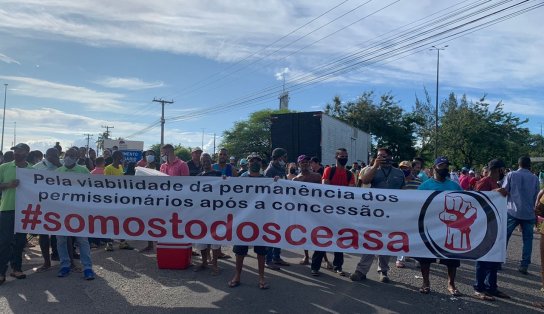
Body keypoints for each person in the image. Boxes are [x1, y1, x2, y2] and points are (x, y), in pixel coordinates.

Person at [351, 148, 404, 283]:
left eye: (383, 156)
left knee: (386, 242)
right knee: (371, 239)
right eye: (378, 156)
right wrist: (375, 166)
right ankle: (361, 271)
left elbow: (404, 193)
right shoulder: (372, 170)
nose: (381, 158)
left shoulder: (399, 173)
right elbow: (365, 180)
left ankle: (383, 271)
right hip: (375, 213)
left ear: (390, 157)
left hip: (392, 214)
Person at [416, 156, 462, 296]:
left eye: (446, 166)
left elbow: (468, 201)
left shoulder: (454, 186)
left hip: (450, 227)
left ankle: (451, 283)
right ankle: (426, 282)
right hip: (430, 226)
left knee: (452, 258)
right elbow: (415, 206)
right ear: (434, 167)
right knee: (425, 257)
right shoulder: (424, 186)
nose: (445, 168)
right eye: (442, 166)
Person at [228, 153, 269, 290]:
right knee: (240, 251)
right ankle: (237, 275)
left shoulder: (266, 180)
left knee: (261, 252)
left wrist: (276, 182)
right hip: (244, 220)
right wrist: (223, 182)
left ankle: (261, 277)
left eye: (258, 160)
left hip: (260, 220)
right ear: (248, 163)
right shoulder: (241, 179)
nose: (255, 162)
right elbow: (231, 193)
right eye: (252, 160)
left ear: (261, 164)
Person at [312, 148, 355, 277]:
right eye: (342, 156)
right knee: (322, 238)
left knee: (340, 239)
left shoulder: (350, 174)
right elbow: (326, 187)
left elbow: (351, 191)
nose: (344, 158)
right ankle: (315, 267)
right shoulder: (329, 170)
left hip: (342, 212)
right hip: (327, 211)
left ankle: (338, 266)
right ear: (336, 157)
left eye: (346, 156)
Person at [55, 147, 95, 280]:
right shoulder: (57, 172)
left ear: (78, 158)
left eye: (72, 155)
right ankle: (65, 265)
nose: (68, 157)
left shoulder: (83, 171)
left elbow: (92, 190)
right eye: (67, 154)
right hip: (61, 212)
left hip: (79, 212)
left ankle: (88, 267)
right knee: (61, 240)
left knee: (82, 240)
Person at [472, 159, 510, 301]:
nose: (504, 172)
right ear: (498, 169)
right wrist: (495, 192)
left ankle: (491, 287)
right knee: (483, 257)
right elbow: (477, 199)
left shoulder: (496, 183)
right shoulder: (484, 182)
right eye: (503, 170)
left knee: (494, 257)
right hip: (484, 226)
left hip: (495, 225)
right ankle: (479, 288)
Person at [0, 143, 34, 285]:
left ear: (26, 152)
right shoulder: (4, 167)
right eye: (15, 151)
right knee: (5, 241)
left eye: (20, 151)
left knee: (20, 242)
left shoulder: (32, 170)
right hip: (7, 208)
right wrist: (9, 185)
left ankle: (16, 268)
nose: (16, 153)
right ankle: (1, 272)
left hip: (25, 211)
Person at [504, 156, 540, 275]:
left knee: (504, 236)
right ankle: (524, 265)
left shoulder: (511, 175)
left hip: (512, 211)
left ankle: (498, 261)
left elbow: (504, 191)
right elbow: (536, 197)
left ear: (518, 164)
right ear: (529, 165)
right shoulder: (535, 178)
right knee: (528, 240)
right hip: (528, 213)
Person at [34, 148, 63, 272]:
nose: (54, 158)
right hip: (42, 205)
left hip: (59, 205)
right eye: (51, 156)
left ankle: (59, 255)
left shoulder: (62, 166)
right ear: (46, 156)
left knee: (60, 233)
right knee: (43, 234)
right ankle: (46, 261)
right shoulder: (37, 167)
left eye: (56, 156)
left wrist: (59, 165)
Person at [193, 153, 223, 276]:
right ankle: (204, 262)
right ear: (201, 163)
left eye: (207, 161)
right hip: (202, 212)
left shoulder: (219, 175)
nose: (205, 163)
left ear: (211, 161)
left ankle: (215, 264)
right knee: (202, 239)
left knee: (215, 239)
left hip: (216, 212)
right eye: (203, 161)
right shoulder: (198, 177)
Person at [293, 155, 322, 266]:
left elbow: (323, 192)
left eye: (306, 162)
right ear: (298, 164)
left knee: (318, 233)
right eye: (302, 162)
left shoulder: (317, 176)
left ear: (309, 163)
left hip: (316, 209)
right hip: (303, 210)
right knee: (304, 233)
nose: (304, 164)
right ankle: (306, 255)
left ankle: (322, 258)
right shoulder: (296, 179)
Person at [264, 147, 290, 270]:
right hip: (271, 208)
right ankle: (268, 260)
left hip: (280, 206)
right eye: (284, 157)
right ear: (278, 157)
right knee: (271, 233)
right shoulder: (270, 171)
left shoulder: (281, 169)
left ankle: (276, 256)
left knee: (278, 233)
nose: (285, 159)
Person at [104, 151, 134, 251]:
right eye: (121, 157)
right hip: (112, 199)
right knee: (110, 221)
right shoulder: (108, 169)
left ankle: (122, 242)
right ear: (117, 157)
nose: (123, 158)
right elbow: (106, 183)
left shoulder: (120, 167)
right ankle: (109, 243)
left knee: (121, 220)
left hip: (121, 199)